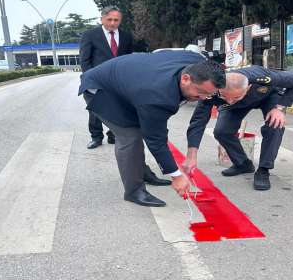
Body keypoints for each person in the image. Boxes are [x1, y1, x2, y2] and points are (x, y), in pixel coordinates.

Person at [78, 50, 226, 207]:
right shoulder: (158, 96)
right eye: (200, 92)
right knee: (130, 136)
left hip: (131, 81)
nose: (203, 98)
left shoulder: (199, 62)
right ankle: (134, 191)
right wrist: (176, 175)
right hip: (101, 89)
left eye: (208, 94)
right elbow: (156, 138)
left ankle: (141, 172)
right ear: (185, 78)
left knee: (142, 127)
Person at [183, 65, 293, 191]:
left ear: (249, 87)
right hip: (240, 105)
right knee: (222, 131)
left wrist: (280, 108)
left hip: (267, 96)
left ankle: (264, 170)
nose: (230, 101)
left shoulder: (261, 76)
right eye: (225, 96)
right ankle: (243, 164)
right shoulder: (212, 90)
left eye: (235, 97)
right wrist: (191, 155)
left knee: (274, 125)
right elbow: (198, 122)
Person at [79, 6, 133, 149]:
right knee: (96, 110)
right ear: (102, 18)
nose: (113, 23)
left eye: (116, 20)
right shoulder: (90, 35)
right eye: (109, 19)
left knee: (117, 109)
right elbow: (85, 60)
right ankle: (96, 137)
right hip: (97, 80)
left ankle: (113, 135)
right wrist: (91, 79)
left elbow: (129, 60)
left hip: (119, 81)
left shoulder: (126, 36)